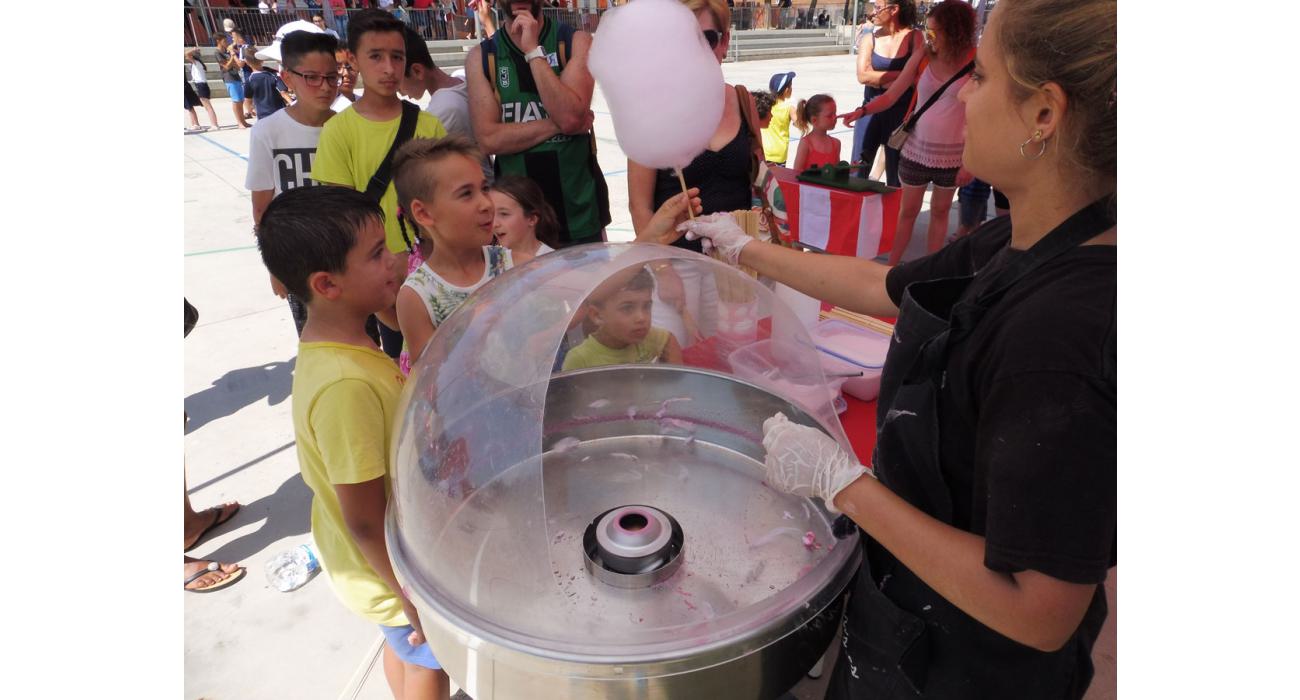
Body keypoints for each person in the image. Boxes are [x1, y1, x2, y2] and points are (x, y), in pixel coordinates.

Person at [662, 0, 1116, 696]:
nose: (963, 92)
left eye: (984, 77)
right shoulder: (1019, 235)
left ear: (1045, 115)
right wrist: (747, 246)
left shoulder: (1059, 338)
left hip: (968, 669)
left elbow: (1040, 609)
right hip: (910, 615)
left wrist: (845, 485)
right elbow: (885, 286)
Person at [257, 186, 450, 700]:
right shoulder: (346, 386)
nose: (395, 260)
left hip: (373, 567)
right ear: (327, 284)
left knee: (400, 648)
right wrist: (409, 595)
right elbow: (364, 517)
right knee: (432, 661)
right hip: (389, 572)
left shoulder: (347, 343)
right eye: (376, 254)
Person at [627, 0, 766, 348]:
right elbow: (639, 205)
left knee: (733, 358)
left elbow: (759, 179)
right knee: (679, 364)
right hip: (677, 261)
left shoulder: (742, 100)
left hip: (734, 260)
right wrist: (663, 271)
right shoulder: (650, 109)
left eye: (706, 37)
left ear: (724, 41)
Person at [312, 8, 449, 360]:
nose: (389, 69)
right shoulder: (339, 132)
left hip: (436, 278)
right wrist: (377, 296)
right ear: (353, 59)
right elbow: (340, 222)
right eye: (376, 56)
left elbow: (446, 204)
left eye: (397, 57)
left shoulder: (430, 125)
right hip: (379, 284)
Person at [466, 0, 611, 247]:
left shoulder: (575, 41)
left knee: (588, 286)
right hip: (518, 225)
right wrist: (557, 124)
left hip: (579, 212)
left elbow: (571, 117)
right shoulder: (481, 57)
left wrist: (533, 50)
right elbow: (489, 139)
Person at [845, 0, 977, 264]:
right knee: (908, 211)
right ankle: (892, 267)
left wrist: (969, 163)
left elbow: (980, 117)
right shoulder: (925, 55)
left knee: (940, 212)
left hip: (953, 156)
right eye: (927, 30)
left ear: (954, 31)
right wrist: (862, 111)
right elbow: (893, 95)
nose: (929, 37)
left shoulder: (976, 61)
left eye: (934, 31)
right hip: (916, 150)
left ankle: (929, 268)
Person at [246, 29, 341, 335]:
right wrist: (275, 267)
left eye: (331, 77)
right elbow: (262, 209)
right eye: (312, 77)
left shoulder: (346, 127)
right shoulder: (267, 132)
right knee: (315, 340)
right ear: (288, 78)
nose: (324, 86)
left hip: (346, 256)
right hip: (298, 260)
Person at [390, 136, 510, 371]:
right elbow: (429, 383)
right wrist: (468, 330)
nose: (486, 203)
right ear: (423, 213)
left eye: (485, 188)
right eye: (466, 194)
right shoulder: (417, 297)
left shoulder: (511, 264)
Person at [399, 25, 493, 178]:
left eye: (399, 83)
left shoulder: (442, 110)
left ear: (417, 71)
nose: (400, 92)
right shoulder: (462, 79)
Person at [848, 0, 923, 186]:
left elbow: (917, 78)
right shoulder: (869, 38)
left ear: (894, 9)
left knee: (896, 180)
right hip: (870, 109)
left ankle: (893, 216)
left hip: (901, 116)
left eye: (877, 7)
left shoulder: (915, 37)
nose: (873, 12)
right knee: (856, 175)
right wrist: (904, 74)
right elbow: (863, 76)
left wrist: (882, 79)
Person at [562, 266, 683, 371]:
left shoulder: (651, 338)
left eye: (646, 306)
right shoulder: (580, 359)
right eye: (627, 308)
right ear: (597, 315)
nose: (641, 318)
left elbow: (669, 341)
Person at [490, 174, 561, 263]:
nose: (494, 224)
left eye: (504, 214)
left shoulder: (553, 263)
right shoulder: (491, 262)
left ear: (532, 219)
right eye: (491, 214)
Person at [791, 94, 841, 171]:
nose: (835, 117)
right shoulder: (806, 143)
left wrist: (849, 169)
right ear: (814, 120)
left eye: (835, 113)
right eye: (829, 116)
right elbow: (796, 171)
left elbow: (837, 171)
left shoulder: (836, 143)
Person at [215, 35, 253, 128]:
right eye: (224, 40)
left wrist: (233, 57)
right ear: (218, 41)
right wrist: (232, 56)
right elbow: (227, 67)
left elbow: (237, 65)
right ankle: (239, 122)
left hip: (236, 76)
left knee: (240, 100)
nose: (226, 42)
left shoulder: (226, 52)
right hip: (229, 78)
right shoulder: (217, 52)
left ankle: (243, 121)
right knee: (236, 101)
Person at [245, 51, 292, 119]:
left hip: (262, 115)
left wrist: (250, 110)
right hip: (279, 112)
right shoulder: (273, 75)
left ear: (247, 62)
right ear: (262, 60)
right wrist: (292, 103)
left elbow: (248, 100)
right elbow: (283, 92)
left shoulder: (249, 80)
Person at [761, 71, 795, 166]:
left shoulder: (766, 105)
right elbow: (800, 123)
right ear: (786, 90)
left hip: (764, 151)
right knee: (777, 179)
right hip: (779, 153)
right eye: (790, 86)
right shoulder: (789, 108)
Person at [187, 49, 221, 129]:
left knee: (208, 107)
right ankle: (214, 124)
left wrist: (193, 49)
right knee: (207, 107)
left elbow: (187, 54)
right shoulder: (197, 63)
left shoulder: (196, 62)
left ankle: (214, 125)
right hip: (201, 85)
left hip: (201, 85)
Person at [333, 46, 358, 111]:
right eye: (338, 67)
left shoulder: (369, 106)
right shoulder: (326, 110)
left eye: (350, 67)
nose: (346, 73)